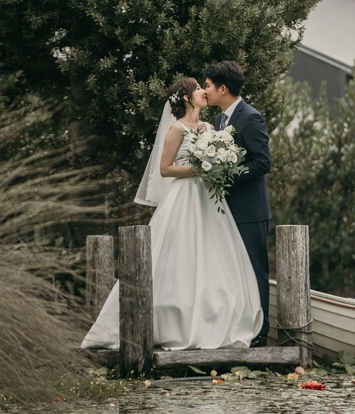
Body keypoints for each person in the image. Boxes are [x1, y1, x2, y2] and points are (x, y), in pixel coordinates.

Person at [81, 77, 262, 350]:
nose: (204, 91)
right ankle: (168, 320)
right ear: (187, 98)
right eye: (198, 89)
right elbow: (165, 169)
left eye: (205, 87)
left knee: (214, 255)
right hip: (184, 197)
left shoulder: (210, 128)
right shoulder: (176, 129)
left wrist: (217, 167)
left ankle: (215, 321)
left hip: (208, 198)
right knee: (178, 254)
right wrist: (198, 169)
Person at [204, 61, 271, 347]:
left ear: (222, 88)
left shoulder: (251, 117)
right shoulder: (219, 121)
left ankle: (262, 332)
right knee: (232, 272)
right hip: (226, 212)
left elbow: (263, 162)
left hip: (250, 211)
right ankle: (239, 327)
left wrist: (229, 174)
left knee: (256, 270)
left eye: (208, 85)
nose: (205, 91)